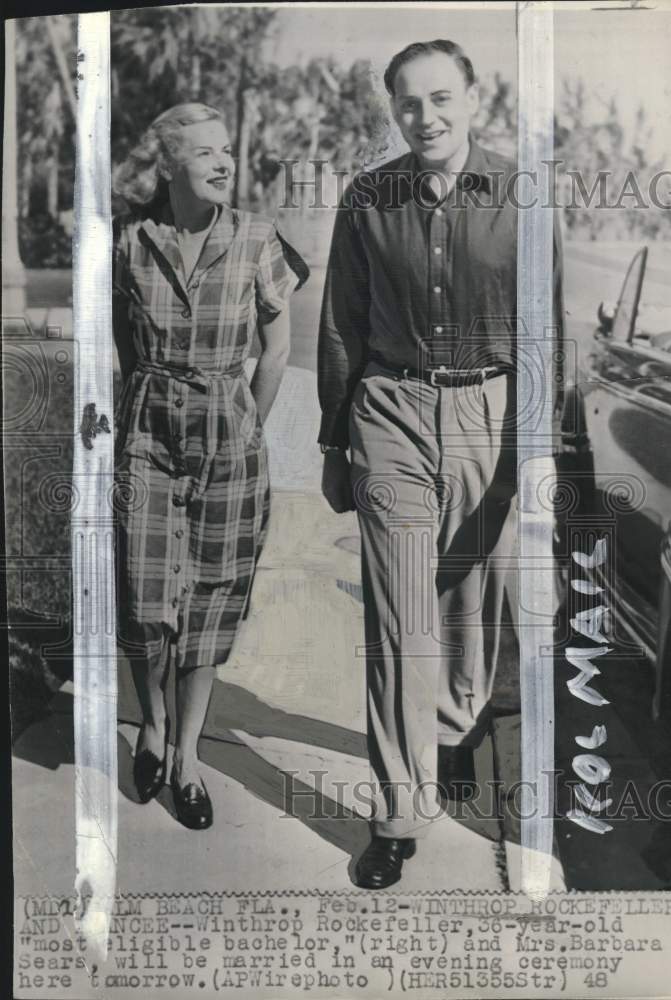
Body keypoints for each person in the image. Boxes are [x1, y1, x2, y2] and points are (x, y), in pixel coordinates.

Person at [317, 40, 564, 887]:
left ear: (473, 98)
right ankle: (399, 811)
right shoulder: (367, 197)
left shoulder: (522, 198)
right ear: (394, 113)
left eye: (440, 98)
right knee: (398, 622)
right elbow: (343, 323)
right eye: (408, 103)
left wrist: (535, 458)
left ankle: (454, 727)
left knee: (468, 605)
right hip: (388, 407)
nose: (425, 117)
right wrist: (331, 441)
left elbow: (546, 334)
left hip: (489, 413)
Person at [112, 103, 308, 830]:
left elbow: (278, 348)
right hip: (147, 435)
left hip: (230, 436)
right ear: (167, 166)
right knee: (142, 593)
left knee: (213, 601)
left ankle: (187, 754)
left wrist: (246, 425)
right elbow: (125, 351)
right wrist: (144, 406)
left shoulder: (258, 237)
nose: (224, 161)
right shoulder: (129, 242)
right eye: (204, 153)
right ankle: (152, 725)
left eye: (226, 148)